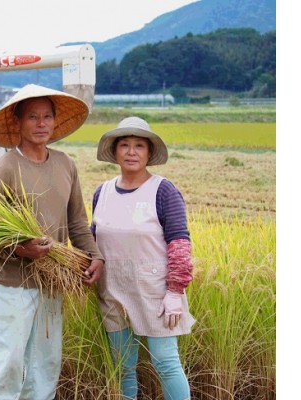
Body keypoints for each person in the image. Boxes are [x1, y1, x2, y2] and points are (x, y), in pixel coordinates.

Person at [0, 84, 105, 400]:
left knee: (45, 361)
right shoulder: (4, 168)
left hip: (52, 279)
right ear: (17, 123)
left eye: (47, 116)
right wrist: (21, 249)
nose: (41, 123)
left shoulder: (65, 164)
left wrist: (95, 255)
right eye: (32, 117)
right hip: (12, 281)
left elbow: (76, 220)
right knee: (8, 359)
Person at [91, 116, 195, 400]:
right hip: (112, 291)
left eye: (139, 145)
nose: (131, 151)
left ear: (149, 153)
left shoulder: (163, 191)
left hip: (155, 293)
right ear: (115, 152)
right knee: (123, 366)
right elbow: (92, 240)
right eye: (124, 145)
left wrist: (175, 290)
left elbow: (179, 242)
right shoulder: (103, 192)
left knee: (166, 363)